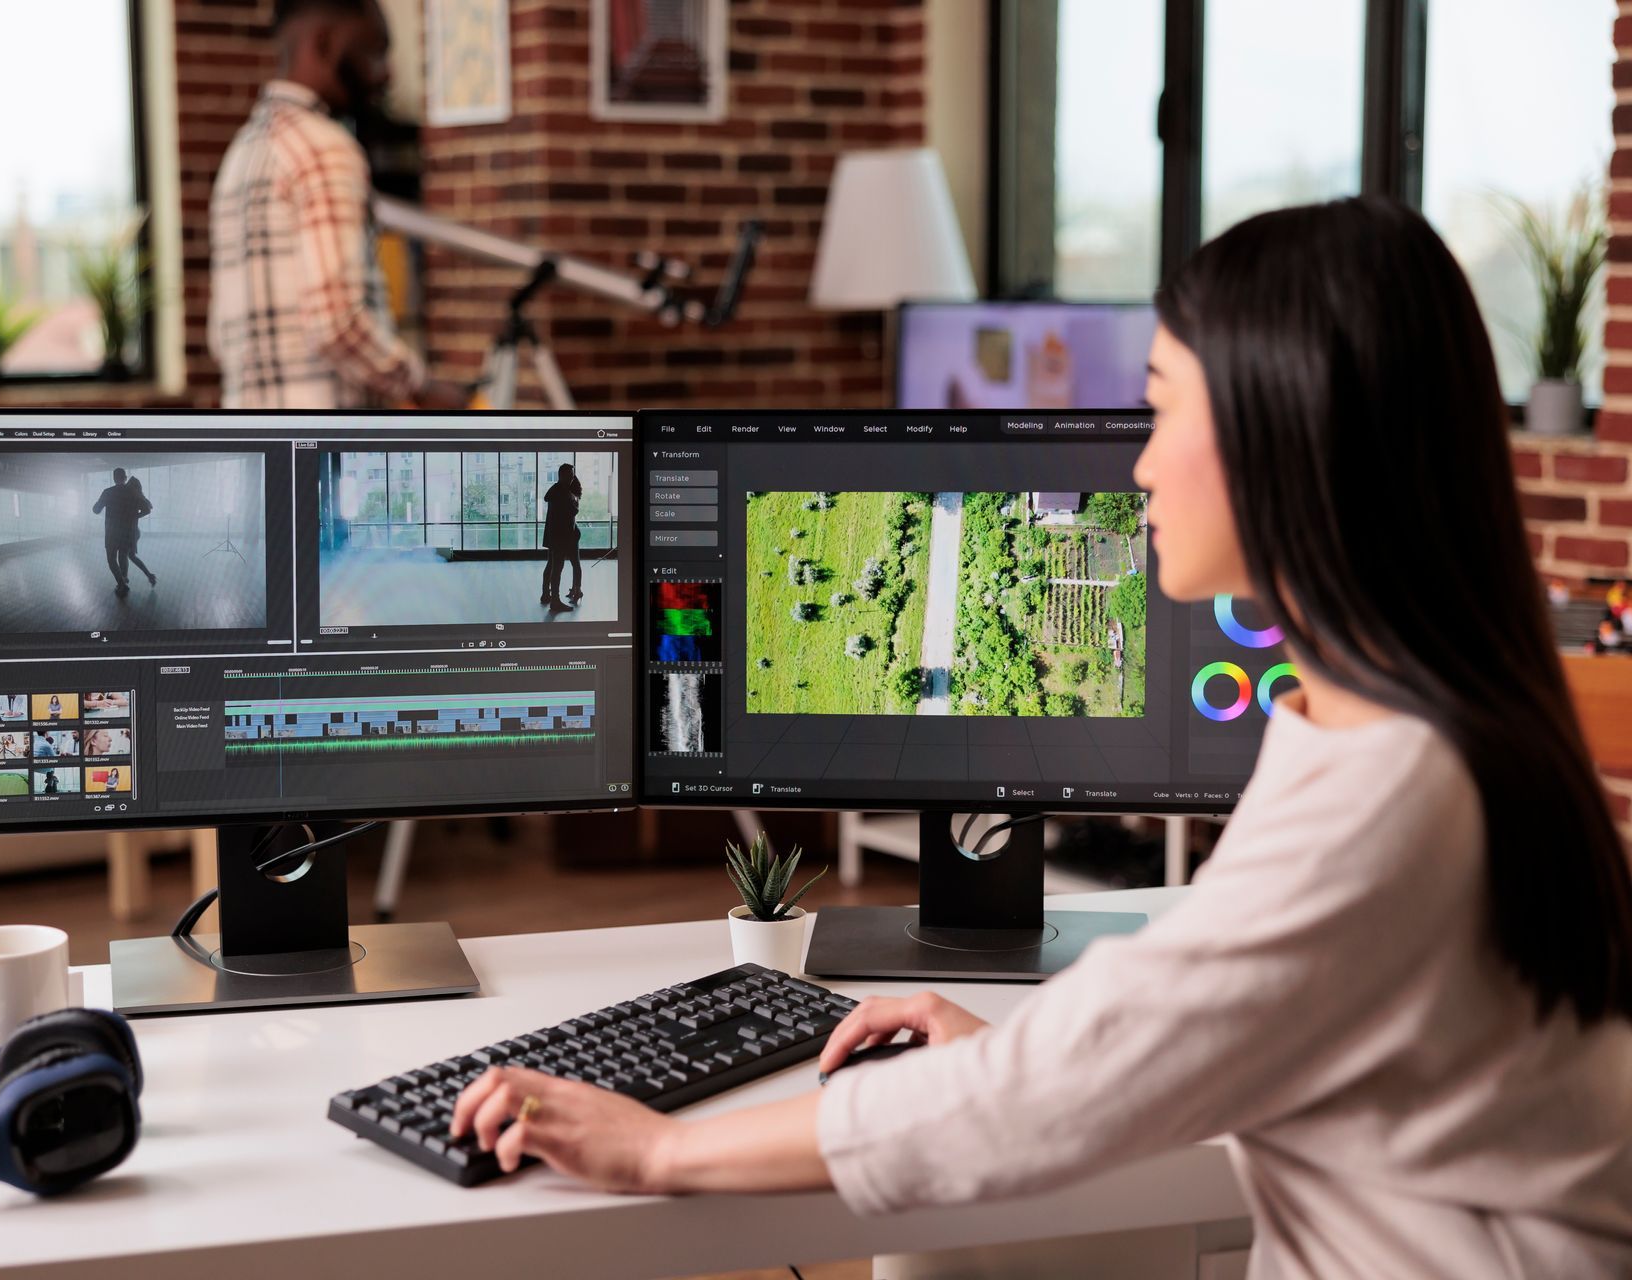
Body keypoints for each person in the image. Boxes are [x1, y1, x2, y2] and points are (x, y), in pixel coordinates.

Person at [450, 199, 1632, 1277]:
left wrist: (658, 1149)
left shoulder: (1389, 793)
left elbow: (1058, 1091)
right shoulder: (1410, 726)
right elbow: (1266, 1018)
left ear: (1285, 433)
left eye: (1165, 406)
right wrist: (1026, 1043)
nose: (1139, 461)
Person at [209, 0, 467, 410]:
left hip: (255, 439)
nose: (386, 72)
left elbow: (222, 337)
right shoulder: (326, 148)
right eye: (374, 50)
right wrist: (423, 388)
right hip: (326, 441)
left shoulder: (242, 150)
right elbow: (337, 324)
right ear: (324, 42)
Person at [540, 464, 582, 610]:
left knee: (551, 565)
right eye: (570, 474)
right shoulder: (564, 492)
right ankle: (555, 600)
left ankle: (546, 594)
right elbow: (572, 511)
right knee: (558, 567)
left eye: (572, 474)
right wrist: (574, 502)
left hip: (554, 534)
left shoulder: (555, 490)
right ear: (562, 475)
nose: (572, 477)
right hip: (562, 536)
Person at [93, 468, 140, 596]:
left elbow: (96, 510)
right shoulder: (132, 492)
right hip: (127, 531)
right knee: (123, 556)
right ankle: (124, 578)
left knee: (111, 559)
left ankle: (121, 583)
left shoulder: (108, 492)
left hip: (112, 532)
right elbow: (142, 506)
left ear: (114, 478)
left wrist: (96, 505)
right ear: (125, 477)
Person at [121, 475, 157, 589]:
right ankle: (149, 575)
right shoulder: (138, 496)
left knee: (125, 555)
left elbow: (147, 510)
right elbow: (148, 508)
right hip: (133, 531)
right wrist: (135, 516)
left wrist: (133, 516)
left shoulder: (133, 497)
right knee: (130, 556)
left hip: (130, 532)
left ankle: (124, 578)